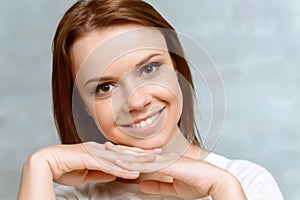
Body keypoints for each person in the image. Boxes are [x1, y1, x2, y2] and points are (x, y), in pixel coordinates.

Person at [18, 0, 284, 199]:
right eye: (105, 87)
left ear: (177, 68)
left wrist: (223, 188)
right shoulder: (71, 197)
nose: (136, 102)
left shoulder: (246, 184)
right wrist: (38, 165)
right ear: (84, 108)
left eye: (149, 69)